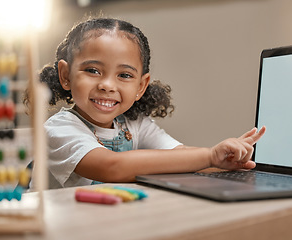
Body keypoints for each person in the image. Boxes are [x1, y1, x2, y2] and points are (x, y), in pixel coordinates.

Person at [24, 17, 266, 189]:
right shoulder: (59, 129)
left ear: (141, 85)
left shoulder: (133, 124)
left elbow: (180, 156)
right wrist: (209, 156)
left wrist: (225, 161)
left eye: (125, 75)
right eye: (93, 70)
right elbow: (111, 167)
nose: (108, 85)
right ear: (65, 75)